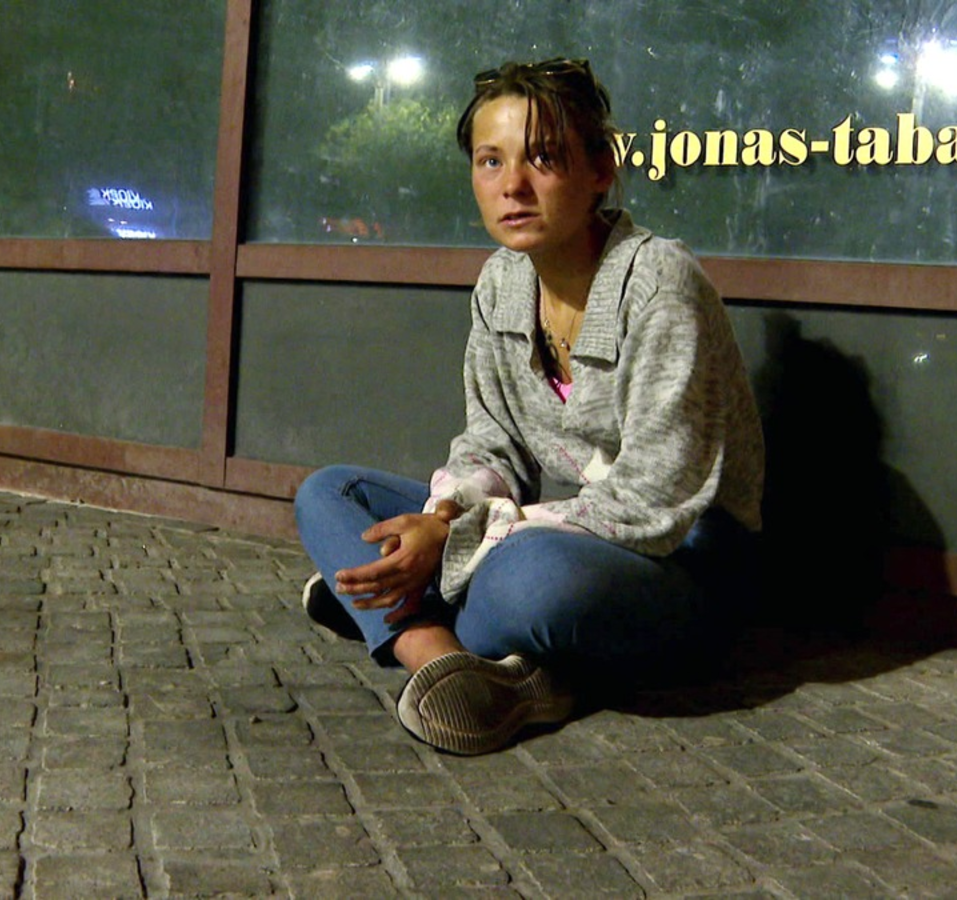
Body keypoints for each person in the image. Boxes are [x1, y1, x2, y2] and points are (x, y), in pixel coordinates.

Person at [295, 58, 764, 756]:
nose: (512, 185)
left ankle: (402, 619)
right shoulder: (502, 281)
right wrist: (442, 517)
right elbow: (491, 446)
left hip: (680, 565)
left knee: (532, 581)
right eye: (490, 161)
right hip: (566, 530)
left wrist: (453, 541)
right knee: (330, 493)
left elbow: (654, 501)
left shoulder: (659, 282)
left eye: (542, 158)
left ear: (600, 169)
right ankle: (448, 661)